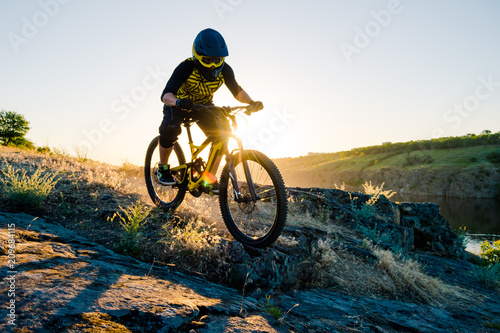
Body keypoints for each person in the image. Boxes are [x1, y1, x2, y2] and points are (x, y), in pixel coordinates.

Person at [157, 28, 263, 187]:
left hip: (203, 105)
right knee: (170, 129)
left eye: (217, 59)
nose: (213, 65)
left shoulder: (226, 70)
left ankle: (208, 177)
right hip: (178, 103)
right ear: (197, 56)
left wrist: (251, 102)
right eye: (207, 60)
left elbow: (237, 90)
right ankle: (162, 168)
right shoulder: (186, 67)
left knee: (223, 135)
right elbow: (166, 96)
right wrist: (178, 102)